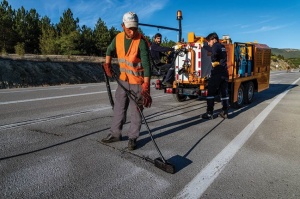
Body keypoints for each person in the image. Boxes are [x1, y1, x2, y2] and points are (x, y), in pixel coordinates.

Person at [101, 11, 152, 150]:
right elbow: (109, 50)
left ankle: (132, 138)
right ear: (123, 26)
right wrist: (108, 64)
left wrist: (146, 85)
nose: (132, 31)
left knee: (136, 111)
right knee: (119, 108)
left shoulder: (141, 42)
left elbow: (147, 66)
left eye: (135, 28)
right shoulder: (117, 38)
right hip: (123, 80)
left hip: (137, 82)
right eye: (129, 28)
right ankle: (115, 134)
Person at [202, 32, 229, 119]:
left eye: (209, 41)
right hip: (224, 73)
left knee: (210, 93)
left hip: (217, 73)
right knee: (224, 94)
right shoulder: (222, 47)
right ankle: (225, 112)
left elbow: (213, 53)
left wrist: (213, 60)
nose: (209, 43)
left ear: (213, 39)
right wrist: (203, 45)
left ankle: (209, 113)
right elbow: (211, 49)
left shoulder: (215, 46)